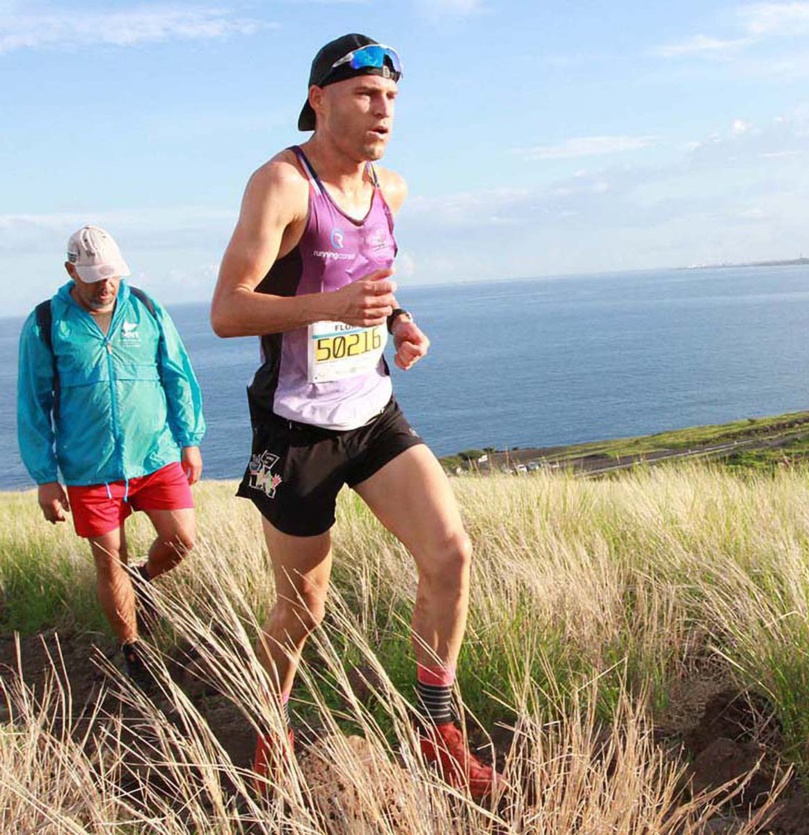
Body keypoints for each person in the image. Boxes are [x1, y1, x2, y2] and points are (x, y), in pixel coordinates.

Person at [211, 34, 502, 798]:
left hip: (372, 413)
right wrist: (330, 306)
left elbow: (372, 283)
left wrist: (398, 321)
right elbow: (226, 309)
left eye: (393, 99)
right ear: (320, 98)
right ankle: (271, 726)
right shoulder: (280, 185)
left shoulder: (390, 189)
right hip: (296, 429)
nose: (383, 112)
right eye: (367, 95)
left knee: (450, 554)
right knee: (302, 606)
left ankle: (437, 731)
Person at [17, 225, 206, 688]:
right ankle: (133, 649)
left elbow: (176, 373)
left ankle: (143, 579)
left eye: (113, 275)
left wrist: (189, 438)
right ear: (70, 272)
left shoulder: (144, 307)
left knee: (182, 539)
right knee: (109, 562)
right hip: (89, 468)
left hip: (156, 455)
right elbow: (33, 402)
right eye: (96, 276)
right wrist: (46, 476)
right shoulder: (46, 323)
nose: (107, 285)